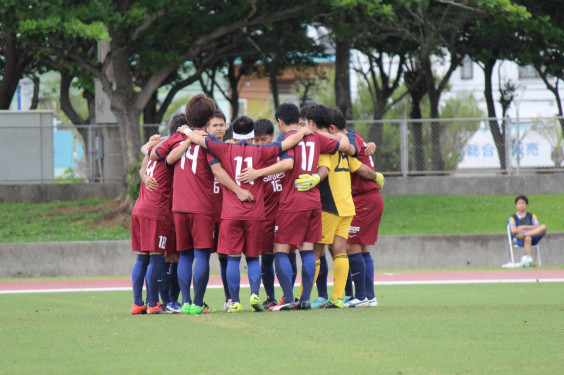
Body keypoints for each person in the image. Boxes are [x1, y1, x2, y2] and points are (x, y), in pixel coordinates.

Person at [185, 115, 314, 312]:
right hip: (256, 212)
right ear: (253, 135)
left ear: (233, 134)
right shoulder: (261, 150)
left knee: (233, 259)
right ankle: (255, 295)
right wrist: (303, 131)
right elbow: (286, 143)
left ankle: (234, 301)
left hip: (231, 213)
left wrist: (185, 131)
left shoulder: (224, 148)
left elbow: (199, 139)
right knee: (254, 258)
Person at [238, 103, 350, 311]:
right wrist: (344, 136)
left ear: (280, 122)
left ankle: (289, 298)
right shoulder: (316, 138)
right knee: (307, 249)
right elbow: (341, 145)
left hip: (292, 201)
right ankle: (305, 299)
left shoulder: (285, 141)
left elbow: (287, 164)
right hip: (314, 200)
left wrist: (256, 173)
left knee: (280, 249)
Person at [298, 105, 380, 309]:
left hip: (329, 205)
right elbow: (360, 167)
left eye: (305, 123)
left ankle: (303, 297)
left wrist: (315, 178)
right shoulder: (342, 146)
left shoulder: (323, 144)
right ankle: (336, 299)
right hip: (347, 205)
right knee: (340, 250)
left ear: (313, 124)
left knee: (316, 251)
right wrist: (377, 177)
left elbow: (323, 168)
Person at [130, 122, 178, 315]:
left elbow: (143, 166)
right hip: (155, 211)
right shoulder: (168, 152)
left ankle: (137, 303)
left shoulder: (152, 152)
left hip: (139, 208)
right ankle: (152, 304)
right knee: (157, 257)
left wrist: (143, 175)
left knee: (142, 257)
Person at [508, 195, 547, 267]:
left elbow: (537, 227)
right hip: (519, 238)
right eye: (519, 203)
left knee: (543, 227)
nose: (521, 205)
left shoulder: (531, 216)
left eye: (523, 203)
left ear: (526, 205)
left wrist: (524, 227)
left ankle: (525, 235)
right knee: (527, 238)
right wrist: (530, 228)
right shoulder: (513, 217)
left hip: (532, 236)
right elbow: (514, 230)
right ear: (516, 205)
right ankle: (530, 262)